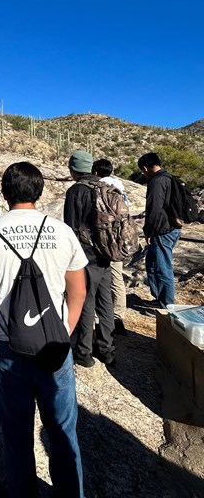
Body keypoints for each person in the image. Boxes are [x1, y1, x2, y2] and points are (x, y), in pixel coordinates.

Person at [0, 161, 87, 497]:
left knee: (16, 435)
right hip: (54, 347)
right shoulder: (62, 231)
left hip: (6, 348)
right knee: (62, 432)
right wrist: (64, 331)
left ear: (3, 192)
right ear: (40, 191)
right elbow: (79, 291)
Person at [64, 150, 115, 367]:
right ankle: (107, 349)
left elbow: (70, 228)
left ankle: (83, 352)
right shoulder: (106, 187)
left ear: (73, 169)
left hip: (86, 257)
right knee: (106, 303)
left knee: (86, 302)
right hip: (107, 254)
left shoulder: (76, 190)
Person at [137, 152, 181, 307]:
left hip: (162, 231)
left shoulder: (157, 181)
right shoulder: (170, 178)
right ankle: (160, 299)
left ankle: (166, 305)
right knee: (153, 264)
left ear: (145, 168)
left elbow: (154, 209)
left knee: (162, 268)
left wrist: (149, 231)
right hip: (171, 228)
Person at [92, 158, 129, 335]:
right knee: (117, 279)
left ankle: (98, 319)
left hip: (102, 242)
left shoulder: (99, 189)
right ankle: (118, 316)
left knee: (98, 280)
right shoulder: (119, 188)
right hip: (118, 241)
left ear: (96, 173)